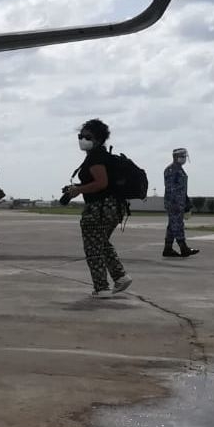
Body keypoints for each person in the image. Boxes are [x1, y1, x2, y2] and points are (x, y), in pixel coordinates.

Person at [63, 119, 133, 298]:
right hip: (113, 208)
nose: (82, 139)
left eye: (87, 137)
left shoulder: (96, 157)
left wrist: (78, 190)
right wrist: (79, 188)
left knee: (93, 248)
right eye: (81, 136)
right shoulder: (101, 155)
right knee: (101, 243)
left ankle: (101, 287)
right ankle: (120, 276)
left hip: (100, 208)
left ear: (99, 139)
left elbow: (101, 183)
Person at [163, 147, 199, 258]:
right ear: (176, 157)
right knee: (177, 225)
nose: (184, 158)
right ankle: (184, 248)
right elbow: (171, 188)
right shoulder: (171, 170)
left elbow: (182, 188)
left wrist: (186, 201)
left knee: (172, 226)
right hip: (174, 203)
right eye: (182, 156)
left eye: (184, 156)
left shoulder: (179, 169)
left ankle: (168, 249)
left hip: (179, 202)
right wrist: (176, 204)